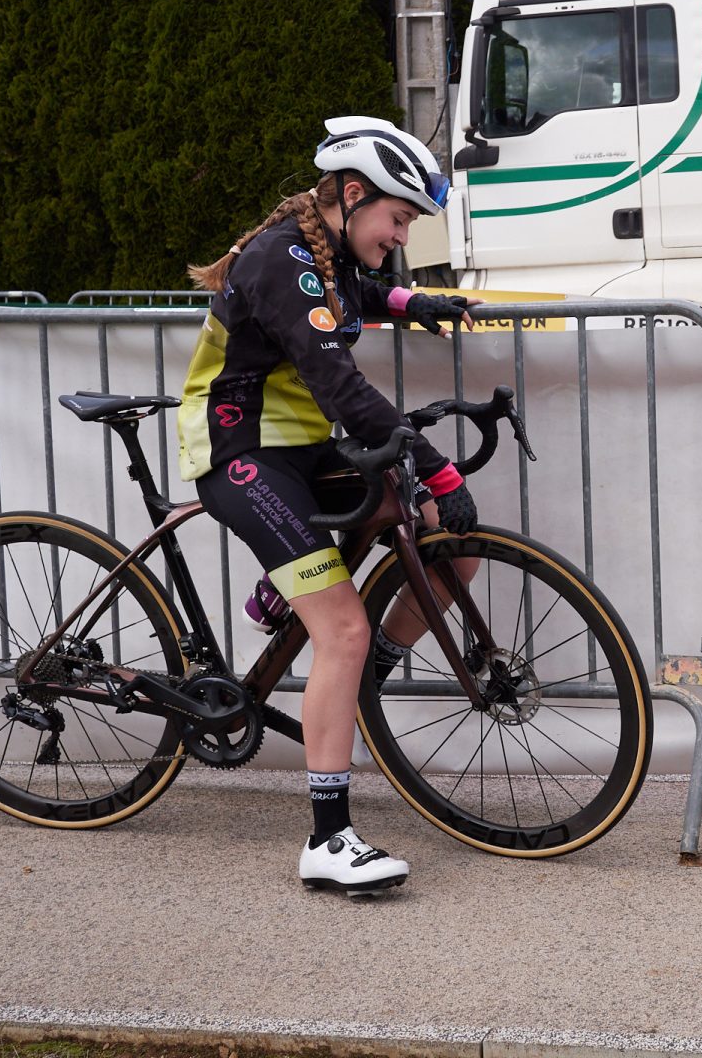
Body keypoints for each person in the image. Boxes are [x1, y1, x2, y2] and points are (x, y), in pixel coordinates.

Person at [178, 116, 482, 894]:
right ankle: (328, 840)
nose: (401, 237)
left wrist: (408, 300)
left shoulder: (327, 252)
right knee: (344, 628)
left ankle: (356, 676)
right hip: (240, 451)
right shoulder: (281, 260)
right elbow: (340, 386)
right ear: (352, 195)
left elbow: (355, 291)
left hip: (302, 448)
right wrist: (440, 470)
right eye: (399, 220)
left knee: (448, 543)